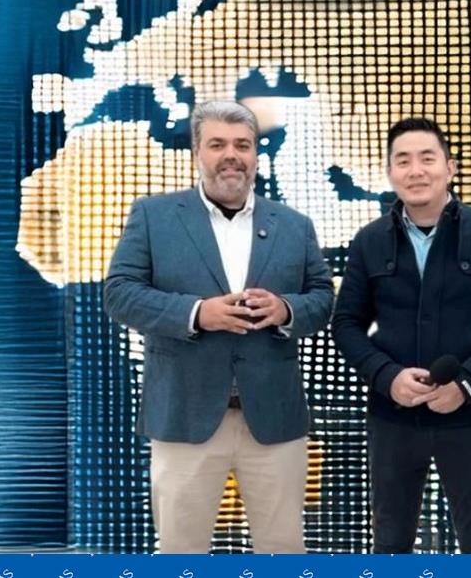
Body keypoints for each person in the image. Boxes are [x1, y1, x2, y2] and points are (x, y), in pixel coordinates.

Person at [104, 101, 334, 553]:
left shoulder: (294, 225)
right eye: (217, 144)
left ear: (255, 155)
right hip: (184, 416)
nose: (231, 155)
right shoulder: (153, 216)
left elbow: (323, 299)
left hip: (274, 419)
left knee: (284, 550)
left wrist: (285, 309)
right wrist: (196, 313)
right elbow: (120, 293)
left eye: (242, 145)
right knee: (181, 551)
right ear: (197, 152)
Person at [332, 118, 471, 553]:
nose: (416, 171)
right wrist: (387, 377)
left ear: (450, 168)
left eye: (427, 158)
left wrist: (468, 383)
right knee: (390, 542)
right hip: (393, 419)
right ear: (390, 172)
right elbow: (346, 325)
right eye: (403, 161)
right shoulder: (369, 241)